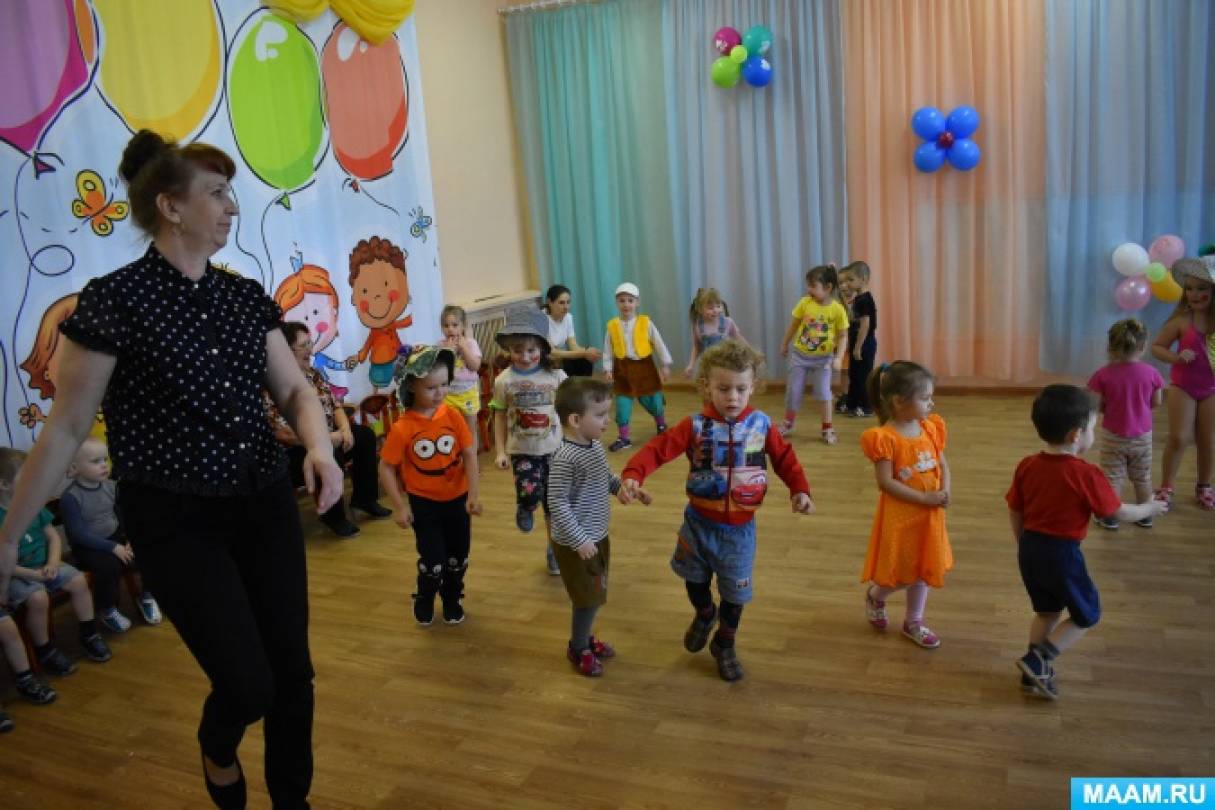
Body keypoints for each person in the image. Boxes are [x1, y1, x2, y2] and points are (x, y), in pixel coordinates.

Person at [0, 130, 345, 809]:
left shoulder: (244, 297)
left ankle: (292, 802)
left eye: (230, 193)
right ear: (171, 206)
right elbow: (66, 428)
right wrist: (9, 536)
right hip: (175, 520)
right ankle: (217, 744)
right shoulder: (114, 301)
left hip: (262, 501)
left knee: (292, 675)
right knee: (247, 684)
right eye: (216, 193)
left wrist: (320, 448)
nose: (231, 207)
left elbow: (295, 390)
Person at [622, 340, 814, 682]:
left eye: (741, 389)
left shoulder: (761, 424)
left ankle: (725, 643)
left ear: (753, 387)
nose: (732, 397)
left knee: (736, 595)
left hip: (739, 532)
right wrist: (634, 474)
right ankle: (705, 613)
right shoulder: (694, 425)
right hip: (697, 525)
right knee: (694, 581)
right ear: (706, 386)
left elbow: (785, 458)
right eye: (723, 389)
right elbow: (658, 449)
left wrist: (799, 489)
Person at [1007, 385, 1166, 700]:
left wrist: (1022, 542)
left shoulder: (1027, 465)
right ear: (1076, 435)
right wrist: (1149, 508)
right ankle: (1038, 660)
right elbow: (1117, 512)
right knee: (1087, 614)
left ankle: (1032, 674)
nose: (1094, 433)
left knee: (1046, 612)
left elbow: (1015, 508)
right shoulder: (1086, 474)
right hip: (1062, 555)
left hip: (1030, 549)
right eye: (1093, 428)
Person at [547, 377, 649, 676]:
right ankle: (579, 647)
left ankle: (586, 638)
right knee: (587, 599)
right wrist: (579, 540)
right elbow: (557, 503)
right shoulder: (565, 457)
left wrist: (621, 489)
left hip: (596, 534)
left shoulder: (593, 446)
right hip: (576, 544)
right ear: (575, 420)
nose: (608, 420)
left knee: (594, 592)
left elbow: (604, 476)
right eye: (601, 415)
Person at [379, 346, 482, 626]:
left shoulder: (453, 415)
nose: (440, 393)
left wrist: (473, 493)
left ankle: (452, 597)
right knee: (434, 560)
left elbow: (469, 453)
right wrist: (399, 506)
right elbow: (386, 467)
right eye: (431, 387)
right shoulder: (402, 427)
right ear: (412, 386)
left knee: (458, 557)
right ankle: (425, 596)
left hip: (457, 500)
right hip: (424, 505)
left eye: (444, 385)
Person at [265, 321, 390, 538]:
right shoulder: (271, 385)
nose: (310, 349)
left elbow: (336, 406)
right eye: (303, 346)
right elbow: (284, 433)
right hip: (297, 451)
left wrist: (345, 430)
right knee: (330, 452)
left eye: (310, 343)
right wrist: (326, 439)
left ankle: (365, 499)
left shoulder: (314, 374)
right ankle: (334, 517)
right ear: (285, 352)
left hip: (331, 437)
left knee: (365, 436)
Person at [859, 362, 951, 649]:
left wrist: (945, 490)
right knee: (902, 572)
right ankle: (877, 595)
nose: (931, 403)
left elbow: (943, 464)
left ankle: (914, 622)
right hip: (901, 518)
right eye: (925, 398)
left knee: (923, 569)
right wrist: (924, 498)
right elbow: (886, 482)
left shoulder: (929, 428)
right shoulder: (884, 438)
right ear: (900, 402)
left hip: (930, 516)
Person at [1, 449, 112, 672]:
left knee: (79, 581)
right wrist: (34, 575)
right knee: (38, 598)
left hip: (46, 566)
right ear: (4, 484)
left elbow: (52, 537)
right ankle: (45, 650)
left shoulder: (32, 504)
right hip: (16, 574)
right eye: (27, 476)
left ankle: (89, 634)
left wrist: (52, 563)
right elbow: (4, 563)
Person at [490, 308, 567, 575]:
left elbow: (571, 410)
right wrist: (500, 451)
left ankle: (554, 550)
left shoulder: (556, 377)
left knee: (554, 505)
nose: (525, 357)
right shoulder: (504, 381)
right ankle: (525, 505)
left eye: (531, 350)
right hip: (522, 451)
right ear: (508, 350)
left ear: (543, 348)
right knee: (530, 493)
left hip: (555, 450)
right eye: (517, 350)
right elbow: (499, 416)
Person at [60, 437, 162, 631]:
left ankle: (147, 596)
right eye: (95, 461)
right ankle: (107, 608)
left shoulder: (111, 486)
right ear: (75, 467)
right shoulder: (70, 498)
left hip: (115, 537)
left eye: (105, 459)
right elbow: (78, 534)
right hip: (88, 546)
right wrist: (112, 547)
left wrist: (130, 538)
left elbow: (123, 516)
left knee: (147, 549)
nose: (104, 465)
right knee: (108, 566)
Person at [1087, 318, 1165, 529]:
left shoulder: (1102, 375)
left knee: (1112, 477)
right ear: (1143, 345)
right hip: (1142, 435)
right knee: (1142, 477)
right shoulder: (1152, 373)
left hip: (1113, 435)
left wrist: (1111, 409)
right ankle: (1145, 515)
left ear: (1111, 345)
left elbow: (1097, 405)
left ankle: (1110, 518)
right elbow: (1156, 402)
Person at [1150, 256, 1215, 510]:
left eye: (1201, 288)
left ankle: (1204, 486)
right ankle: (1166, 486)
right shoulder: (1181, 321)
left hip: (1212, 389)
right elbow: (1157, 347)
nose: (1194, 294)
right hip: (1183, 386)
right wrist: (1176, 358)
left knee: (1208, 440)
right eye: (1189, 288)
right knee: (1178, 437)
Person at [779, 264, 850, 442]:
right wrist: (784, 343)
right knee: (794, 391)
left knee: (824, 393)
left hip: (823, 360)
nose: (808, 289)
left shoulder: (837, 309)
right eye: (808, 285)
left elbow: (843, 336)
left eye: (813, 286)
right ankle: (788, 423)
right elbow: (794, 325)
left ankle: (827, 428)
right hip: (799, 357)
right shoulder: (805, 303)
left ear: (828, 287)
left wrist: (839, 358)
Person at [602, 282, 672, 452]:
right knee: (622, 405)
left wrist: (665, 364)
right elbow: (607, 349)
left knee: (653, 401)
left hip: (645, 369)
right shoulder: (612, 326)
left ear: (637, 302)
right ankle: (624, 438)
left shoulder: (645, 323)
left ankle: (661, 425)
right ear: (617, 303)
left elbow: (658, 343)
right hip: (622, 371)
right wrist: (607, 368)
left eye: (630, 300)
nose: (626, 304)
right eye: (622, 301)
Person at [439, 305, 483, 450]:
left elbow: (475, 366)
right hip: (449, 396)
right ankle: (456, 458)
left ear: (463, 326)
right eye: (446, 326)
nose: (450, 329)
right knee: (450, 430)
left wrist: (464, 349)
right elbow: (439, 373)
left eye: (455, 325)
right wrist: (448, 353)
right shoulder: (440, 346)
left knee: (470, 430)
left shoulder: (471, 343)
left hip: (468, 394)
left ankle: (472, 459)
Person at [838, 262, 878, 418]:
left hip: (865, 344)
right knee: (854, 375)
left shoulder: (865, 300)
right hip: (858, 343)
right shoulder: (858, 298)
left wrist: (857, 348)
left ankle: (866, 407)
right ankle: (852, 404)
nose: (847, 284)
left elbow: (865, 325)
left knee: (863, 376)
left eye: (851, 280)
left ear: (863, 279)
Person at [684, 287, 744, 378]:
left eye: (718, 306)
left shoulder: (728, 322)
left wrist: (750, 354)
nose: (715, 310)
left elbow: (739, 339)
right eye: (710, 308)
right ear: (700, 309)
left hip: (725, 364)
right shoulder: (697, 326)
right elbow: (696, 347)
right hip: (707, 365)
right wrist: (691, 365)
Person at [543, 284, 602, 377]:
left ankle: (585, 385)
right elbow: (552, 352)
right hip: (545, 360)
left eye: (568, 302)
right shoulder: (541, 319)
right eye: (561, 303)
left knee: (585, 358)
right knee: (568, 362)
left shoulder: (568, 317)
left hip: (558, 358)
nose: (566, 307)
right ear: (550, 302)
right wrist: (584, 353)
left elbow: (573, 346)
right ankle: (571, 385)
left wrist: (590, 352)